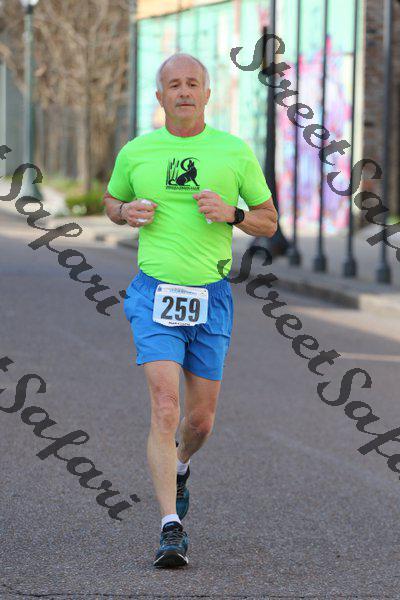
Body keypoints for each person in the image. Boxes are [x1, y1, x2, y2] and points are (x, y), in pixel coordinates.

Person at [104, 52, 277, 568]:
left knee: (199, 422)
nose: (183, 91)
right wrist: (124, 211)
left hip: (211, 297)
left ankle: (181, 464)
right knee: (165, 406)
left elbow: (268, 220)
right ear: (159, 96)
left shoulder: (233, 151)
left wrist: (234, 213)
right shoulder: (137, 152)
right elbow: (111, 203)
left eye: (192, 84)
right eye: (174, 84)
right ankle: (169, 527)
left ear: (207, 94)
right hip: (154, 295)